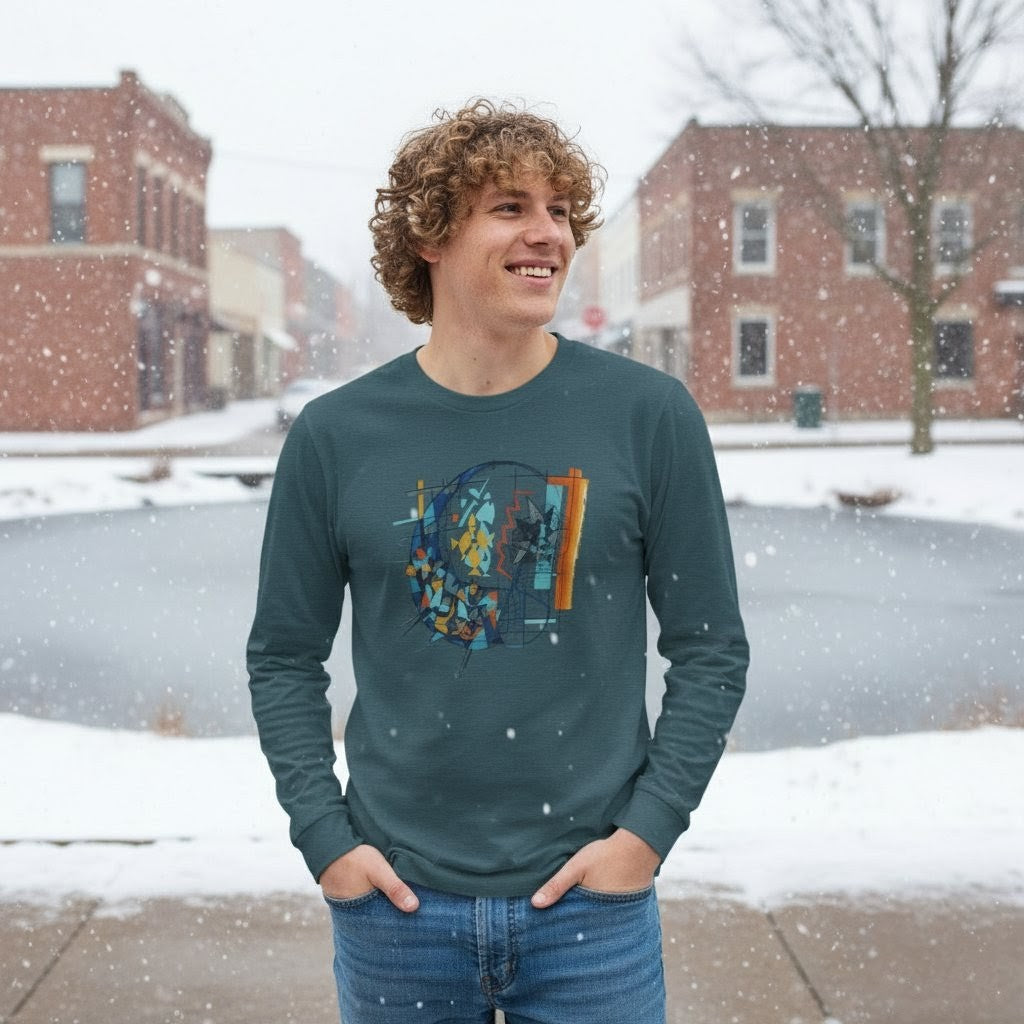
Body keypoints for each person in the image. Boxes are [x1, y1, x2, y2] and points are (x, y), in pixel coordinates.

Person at [247, 99, 748, 1024]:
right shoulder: (336, 436)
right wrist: (327, 841)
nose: (547, 233)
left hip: (591, 910)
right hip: (398, 906)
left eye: (559, 210)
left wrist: (645, 835)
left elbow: (712, 646)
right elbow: (282, 654)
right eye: (510, 207)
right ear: (431, 237)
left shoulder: (646, 415)